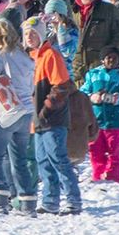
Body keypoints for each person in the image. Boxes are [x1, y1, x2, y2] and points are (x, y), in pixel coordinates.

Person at [23, 16, 81, 215]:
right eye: (27, 34)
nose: (29, 37)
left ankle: (73, 200)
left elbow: (62, 86)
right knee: (43, 161)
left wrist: (47, 108)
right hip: (37, 120)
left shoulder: (50, 55)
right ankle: (50, 202)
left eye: (33, 33)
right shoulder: (31, 58)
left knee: (58, 158)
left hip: (52, 118)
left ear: (41, 34)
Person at [0, 19, 38, 214]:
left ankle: (0, 199)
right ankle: (28, 202)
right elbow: (31, 85)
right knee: (19, 158)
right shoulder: (24, 56)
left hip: (6, 111)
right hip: (26, 110)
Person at [81, 47, 119, 183]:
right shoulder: (93, 75)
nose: (111, 60)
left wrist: (118, 100)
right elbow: (82, 93)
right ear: (102, 60)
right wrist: (92, 97)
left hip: (115, 121)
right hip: (96, 121)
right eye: (108, 57)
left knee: (114, 150)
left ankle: (114, 177)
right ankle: (98, 175)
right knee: (95, 151)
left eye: (115, 58)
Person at [72, 0, 119, 85]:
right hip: (77, 72)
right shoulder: (72, 12)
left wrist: (109, 55)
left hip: (101, 70)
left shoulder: (109, 10)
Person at [43, 0, 78, 68]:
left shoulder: (72, 31)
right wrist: (39, 25)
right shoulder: (47, 30)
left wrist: (60, 27)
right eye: (49, 15)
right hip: (47, 71)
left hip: (64, 72)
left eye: (54, 14)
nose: (52, 18)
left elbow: (68, 52)